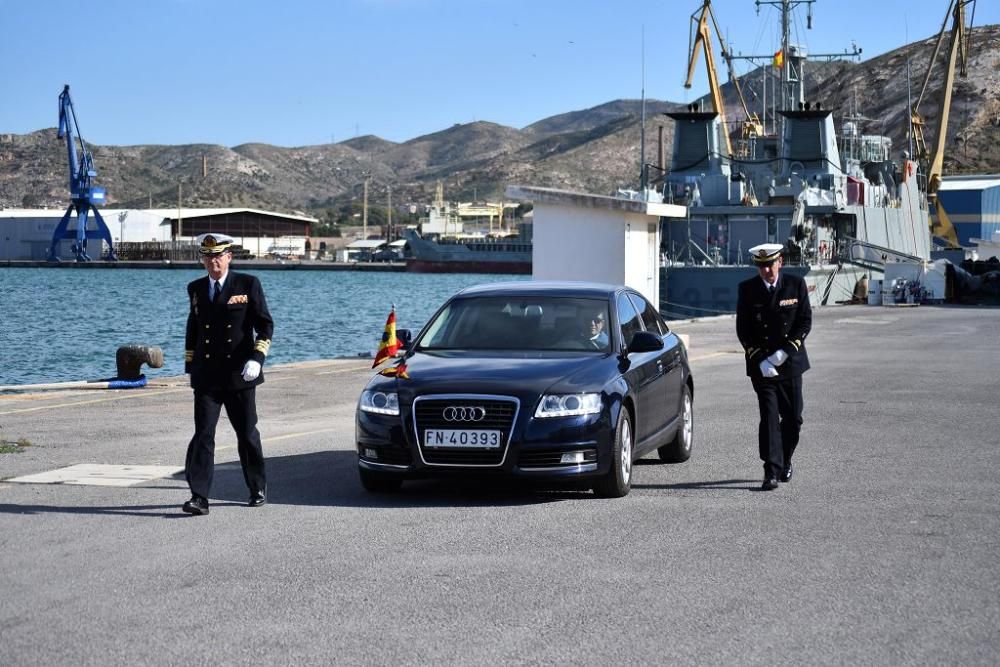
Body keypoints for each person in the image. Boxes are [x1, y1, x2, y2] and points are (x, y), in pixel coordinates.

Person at [182, 233, 274, 515]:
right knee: (203, 436)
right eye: (208, 257)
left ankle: (257, 487)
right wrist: (190, 367)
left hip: (239, 376)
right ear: (202, 259)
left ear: (229, 257)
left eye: (218, 256)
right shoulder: (196, 288)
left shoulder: (247, 284)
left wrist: (257, 358)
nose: (213, 262)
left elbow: (265, 325)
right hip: (207, 377)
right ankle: (199, 496)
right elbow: (194, 329)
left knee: (246, 434)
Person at [736, 243, 812, 491]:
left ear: (780, 262)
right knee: (769, 416)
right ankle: (770, 471)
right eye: (762, 266)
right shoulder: (747, 290)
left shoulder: (795, 285)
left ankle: (785, 459)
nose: (767, 270)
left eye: (770, 264)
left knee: (793, 419)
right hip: (762, 365)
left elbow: (804, 322)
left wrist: (786, 351)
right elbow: (743, 329)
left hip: (790, 362)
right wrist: (760, 359)